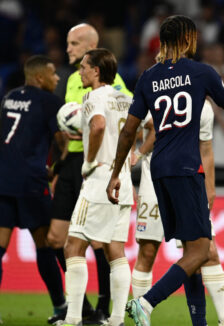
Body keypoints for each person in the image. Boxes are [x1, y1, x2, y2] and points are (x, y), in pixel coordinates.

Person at [105, 15, 224, 326]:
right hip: (186, 168)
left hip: (159, 169)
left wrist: (116, 173)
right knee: (200, 250)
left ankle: (198, 323)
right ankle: (145, 303)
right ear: (188, 39)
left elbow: (129, 131)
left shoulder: (147, 77)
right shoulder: (202, 73)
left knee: (191, 249)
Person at [130, 100, 224, 326]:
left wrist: (211, 187)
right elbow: (130, 128)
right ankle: (142, 312)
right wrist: (133, 157)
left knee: (205, 250)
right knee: (148, 252)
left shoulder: (203, 106)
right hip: (153, 179)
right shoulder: (153, 90)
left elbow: (205, 149)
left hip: (189, 182)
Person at [48, 23, 133, 324]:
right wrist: (131, 156)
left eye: (84, 67)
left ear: (96, 71)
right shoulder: (125, 99)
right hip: (122, 181)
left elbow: (97, 126)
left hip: (98, 180)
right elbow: (142, 127)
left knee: (73, 245)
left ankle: (72, 318)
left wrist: (89, 160)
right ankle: (117, 319)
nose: (80, 72)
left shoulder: (93, 97)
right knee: (116, 250)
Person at [0, 55, 67, 324]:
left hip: (3, 179)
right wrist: (61, 170)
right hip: (30, 182)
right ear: (40, 77)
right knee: (47, 244)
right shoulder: (50, 102)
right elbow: (63, 141)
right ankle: (62, 306)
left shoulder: (8, 97)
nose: (57, 77)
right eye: (53, 73)